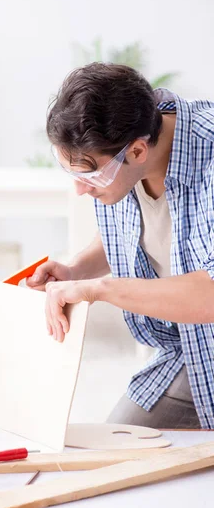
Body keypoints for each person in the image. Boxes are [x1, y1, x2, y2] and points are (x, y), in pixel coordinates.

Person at [27, 62, 214, 429]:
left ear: (138, 152)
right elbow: (145, 226)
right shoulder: (125, 150)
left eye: (90, 175)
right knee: (115, 453)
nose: (80, 190)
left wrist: (99, 289)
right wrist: (77, 269)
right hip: (191, 353)